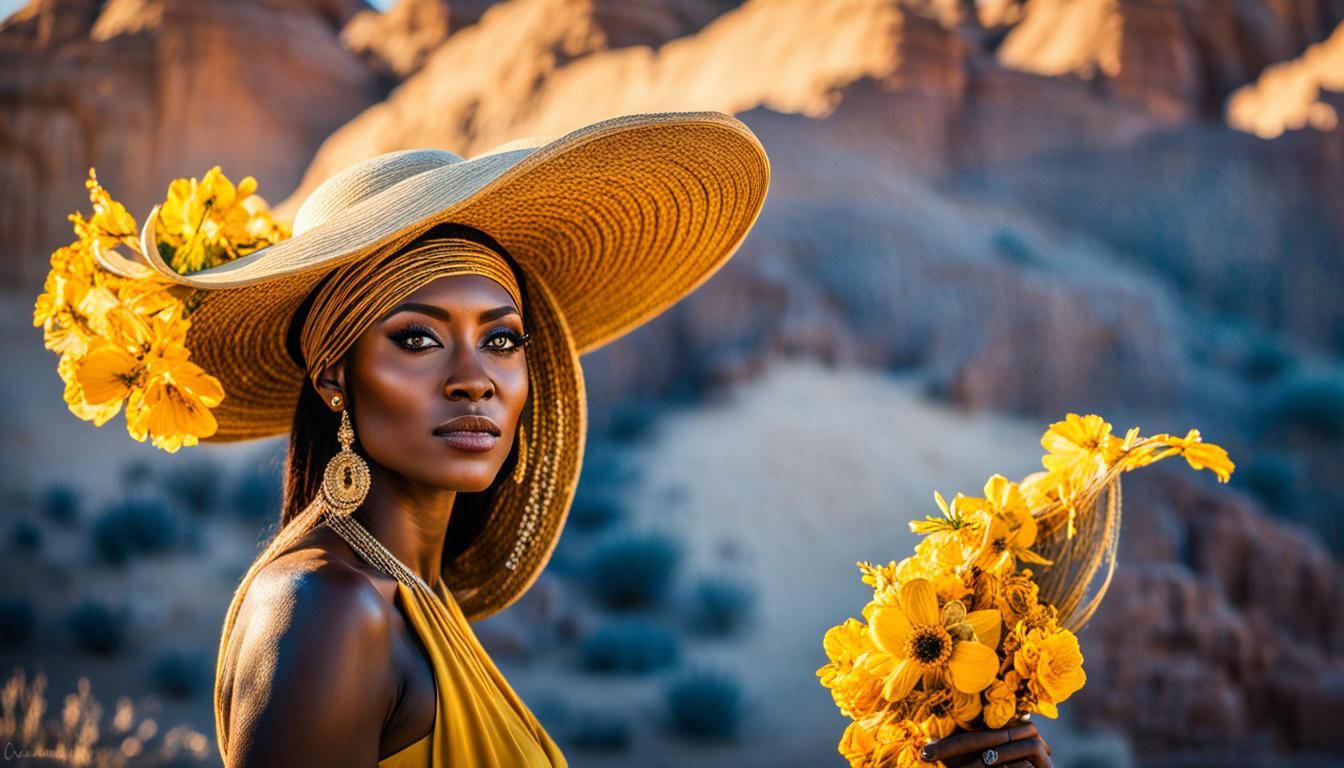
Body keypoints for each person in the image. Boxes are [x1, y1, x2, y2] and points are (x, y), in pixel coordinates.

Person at [64, 111, 771, 766]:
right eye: (417, 338)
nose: (475, 380)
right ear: (334, 377)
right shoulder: (329, 609)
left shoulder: (414, 600)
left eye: (499, 338)